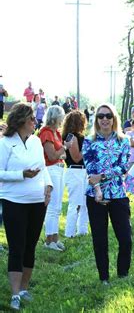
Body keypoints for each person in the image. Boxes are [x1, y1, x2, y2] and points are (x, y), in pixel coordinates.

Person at [0, 103, 53, 310]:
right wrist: (21, 175)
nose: (35, 122)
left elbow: (43, 167)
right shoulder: (5, 143)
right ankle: (14, 293)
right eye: (32, 119)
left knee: (30, 245)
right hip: (14, 201)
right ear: (22, 121)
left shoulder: (36, 141)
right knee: (17, 247)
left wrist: (48, 185)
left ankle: (24, 288)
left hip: (37, 201)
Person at [82, 103, 132, 283]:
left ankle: (123, 274)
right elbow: (90, 168)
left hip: (118, 194)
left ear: (114, 119)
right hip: (95, 196)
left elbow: (123, 167)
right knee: (100, 240)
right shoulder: (89, 141)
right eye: (101, 116)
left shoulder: (123, 140)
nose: (104, 119)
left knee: (125, 238)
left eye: (108, 116)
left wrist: (102, 176)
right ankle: (104, 278)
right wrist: (97, 190)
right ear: (96, 119)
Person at [38, 106, 69, 251]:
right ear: (55, 117)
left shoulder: (57, 133)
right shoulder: (46, 132)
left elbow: (61, 156)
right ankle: (49, 240)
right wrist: (64, 148)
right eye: (61, 116)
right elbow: (52, 156)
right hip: (51, 170)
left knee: (56, 207)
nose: (63, 119)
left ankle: (54, 238)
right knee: (52, 207)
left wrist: (61, 152)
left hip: (59, 169)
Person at [62, 111, 89, 238]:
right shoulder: (71, 137)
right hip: (75, 170)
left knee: (84, 202)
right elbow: (76, 157)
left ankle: (82, 230)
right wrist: (89, 149)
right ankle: (70, 233)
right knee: (75, 203)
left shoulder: (78, 136)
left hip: (83, 171)